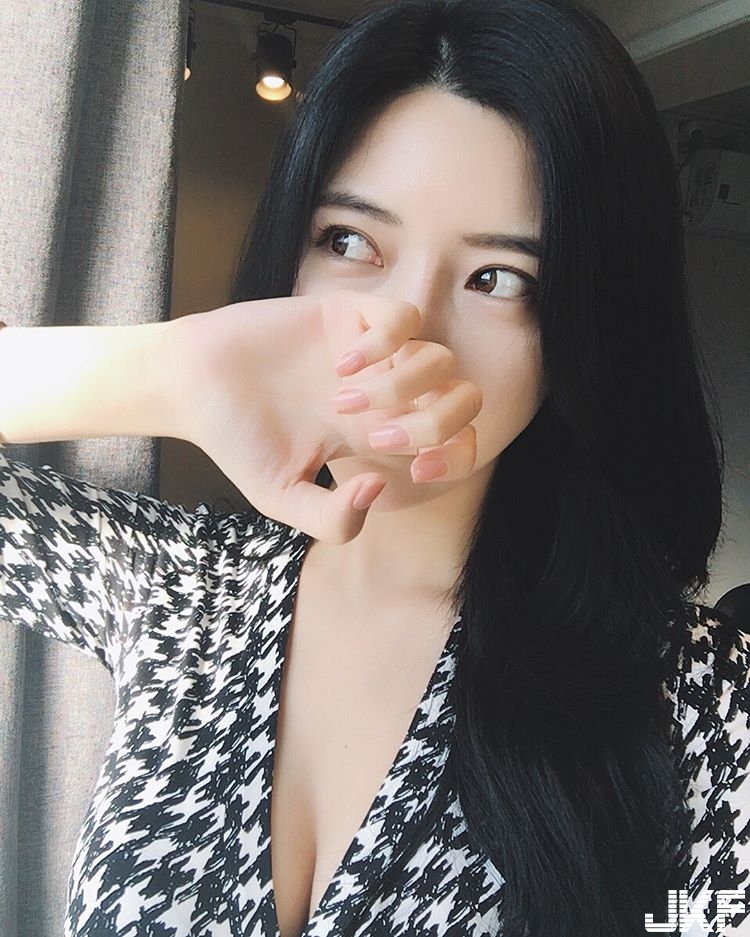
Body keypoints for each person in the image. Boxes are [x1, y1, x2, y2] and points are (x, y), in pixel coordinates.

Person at [0, 0, 748, 935]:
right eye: (349, 242)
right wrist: (172, 369)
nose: (404, 334)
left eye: (497, 279)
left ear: (583, 328)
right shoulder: (179, 586)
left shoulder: (706, 701)